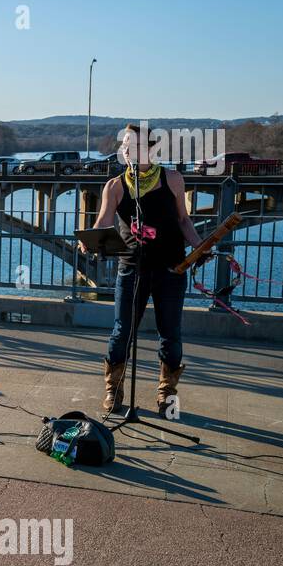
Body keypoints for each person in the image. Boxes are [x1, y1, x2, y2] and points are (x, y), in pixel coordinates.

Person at [81, 124, 206, 415]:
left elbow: (184, 221)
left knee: (170, 333)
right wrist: (90, 240)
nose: (126, 149)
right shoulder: (114, 185)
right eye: (124, 144)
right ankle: (114, 390)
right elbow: (103, 223)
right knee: (121, 331)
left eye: (133, 144)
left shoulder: (173, 179)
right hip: (131, 269)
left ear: (150, 149)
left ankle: (166, 394)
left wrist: (200, 247)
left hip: (171, 269)